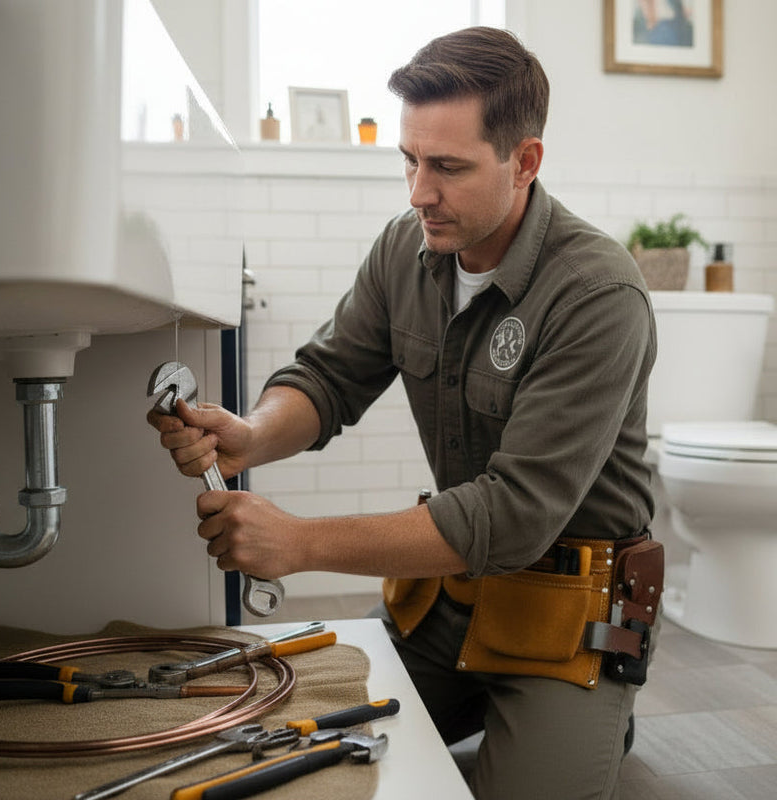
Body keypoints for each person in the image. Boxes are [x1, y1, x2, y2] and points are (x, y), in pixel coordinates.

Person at [147, 27, 659, 800]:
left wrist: (299, 543)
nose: (419, 191)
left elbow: (513, 516)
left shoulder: (597, 295)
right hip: (451, 604)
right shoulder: (405, 251)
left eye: (448, 167)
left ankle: (587, 711)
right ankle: (502, 703)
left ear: (524, 163)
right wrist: (249, 435)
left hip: (567, 616)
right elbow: (327, 378)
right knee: (294, 730)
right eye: (410, 161)